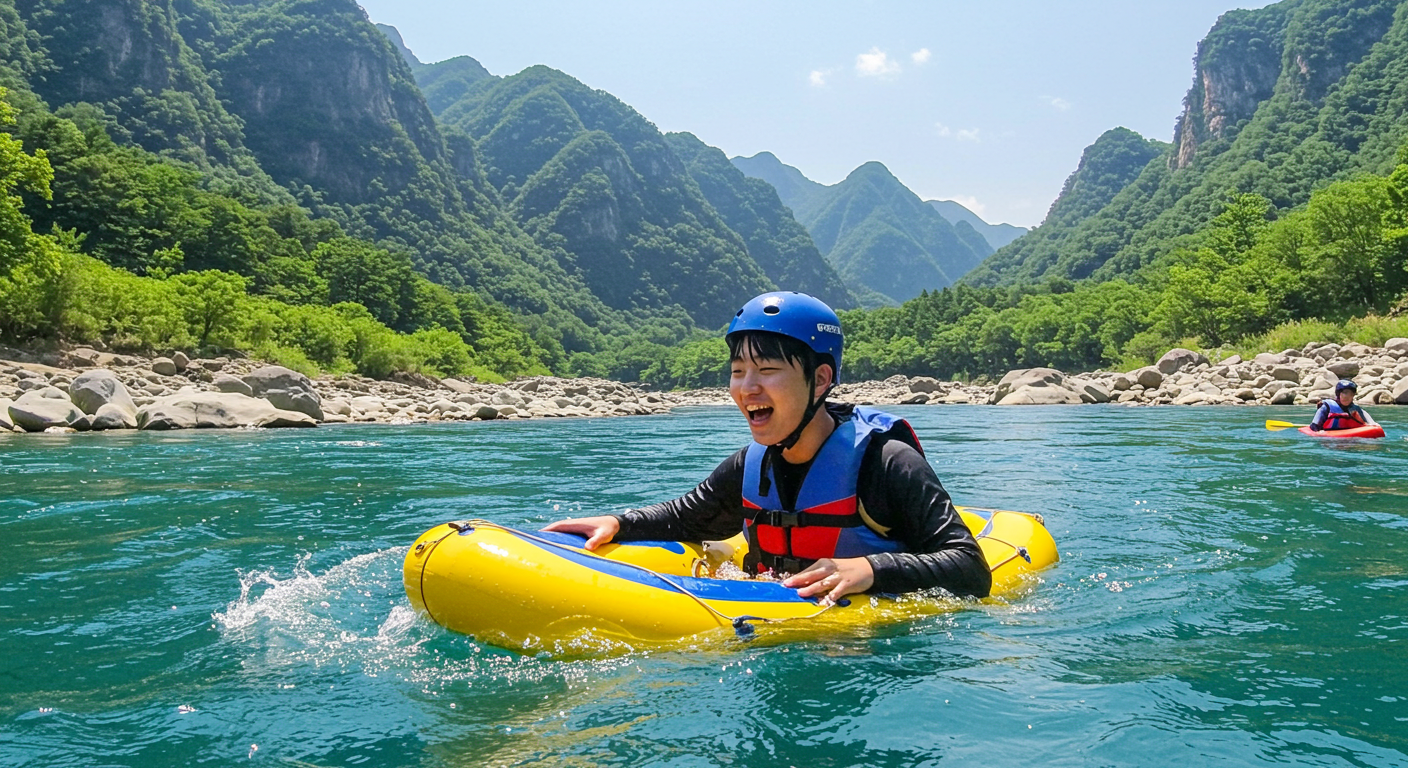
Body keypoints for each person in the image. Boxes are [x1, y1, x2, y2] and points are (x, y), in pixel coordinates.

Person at [544, 291, 992, 604]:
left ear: (820, 380)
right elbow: (687, 517)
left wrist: (871, 571)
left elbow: (971, 569)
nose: (746, 388)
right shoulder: (749, 466)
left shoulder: (887, 463)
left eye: (767, 369)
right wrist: (618, 523)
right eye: (738, 371)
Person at [1309, 379, 1378, 432]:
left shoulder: (1355, 409)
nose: (1347, 396)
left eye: (1351, 394)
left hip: (1349, 438)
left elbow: (1368, 423)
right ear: (1338, 394)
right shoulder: (1326, 407)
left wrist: (1373, 425)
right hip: (1328, 439)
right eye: (1345, 393)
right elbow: (1314, 427)